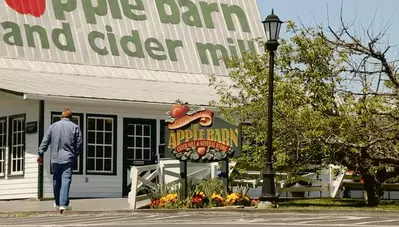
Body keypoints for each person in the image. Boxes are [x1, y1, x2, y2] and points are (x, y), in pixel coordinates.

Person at [37, 109, 83, 211]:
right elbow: (79, 144)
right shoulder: (75, 127)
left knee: (56, 180)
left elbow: (45, 141)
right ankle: (63, 203)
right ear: (71, 117)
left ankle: (57, 202)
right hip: (68, 157)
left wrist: (41, 154)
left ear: (62, 116)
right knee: (66, 179)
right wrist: (76, 154)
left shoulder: (53, 126)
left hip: (55, 158)